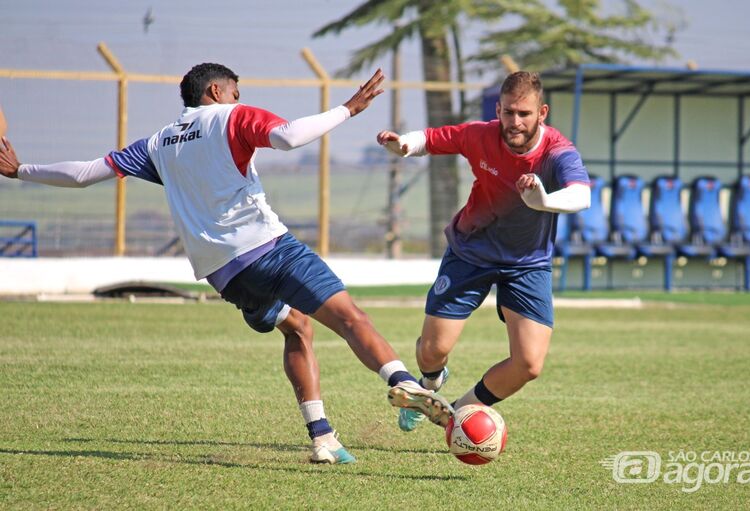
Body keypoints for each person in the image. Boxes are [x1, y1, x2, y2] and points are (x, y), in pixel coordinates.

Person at [0, 63, 452, 464]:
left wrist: (21, 170)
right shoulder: (231, 117)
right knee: (350, 318)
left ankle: (323, 439)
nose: (240, 97)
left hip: (226, 274)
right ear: (216, 91)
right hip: (270, 249)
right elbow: (289, 136)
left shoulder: (159, 142)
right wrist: (348, 109)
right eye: (236, 89)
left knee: (297, 327)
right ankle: (404, 382)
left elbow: (84, 173)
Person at [377, 71, 590, 432]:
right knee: (432, 351)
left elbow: (582, 194)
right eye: (508, 112)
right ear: (498, 109)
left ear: (543, 112)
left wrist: (545, 202)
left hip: (526, 264)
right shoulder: (481, 135)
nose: (515, 121)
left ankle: (457, 414)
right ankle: (429, 387)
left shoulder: (557, 152)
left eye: (524, 113)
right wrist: (404, 145)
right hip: (471, 251)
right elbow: (432, 139)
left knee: (529, 364)